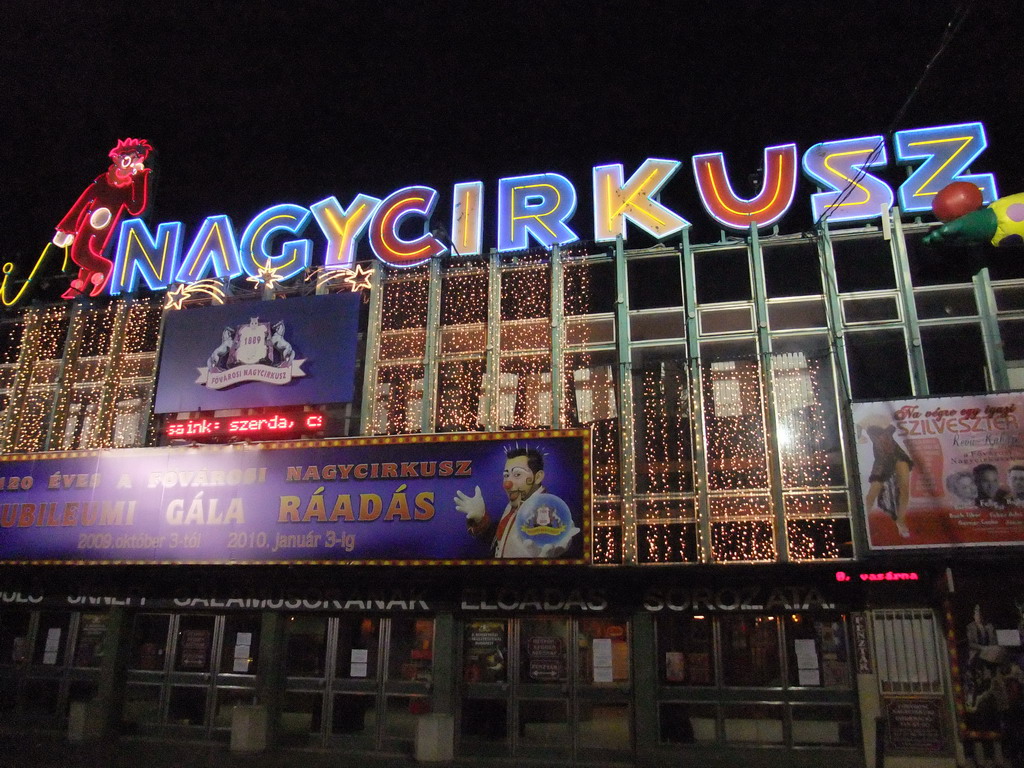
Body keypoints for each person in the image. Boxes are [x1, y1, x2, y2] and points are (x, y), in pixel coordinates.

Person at [53, 138, 153, 299]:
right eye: (123, 156)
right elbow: (84, 201)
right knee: (79, 253)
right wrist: (67, 228)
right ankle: (81, 286)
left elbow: (136, 208)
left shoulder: (129, 186)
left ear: (139, 160)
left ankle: (104, 269)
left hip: (107, 227)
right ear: (116, 157)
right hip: (89, 222)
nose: (127, 160)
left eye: (133, 157)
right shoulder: (103, 180)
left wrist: (140, 179)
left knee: (86, 254)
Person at [454, 445, 578, 558]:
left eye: (517, 474)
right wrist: (480, 519)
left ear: (538, 477)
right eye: (506, 475)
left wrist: (546, 562)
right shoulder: (514, 505)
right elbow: (502, 540)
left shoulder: (551, 510)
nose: (507, 483)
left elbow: (562, 544)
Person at [862, 422, 913, 538]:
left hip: (898, 454)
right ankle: (863, 522)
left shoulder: (883, 413)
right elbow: (857, 427)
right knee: (873, 491)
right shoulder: (864, 414)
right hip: (882, 459)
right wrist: (860, 436)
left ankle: (901, 521)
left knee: (904, 489)